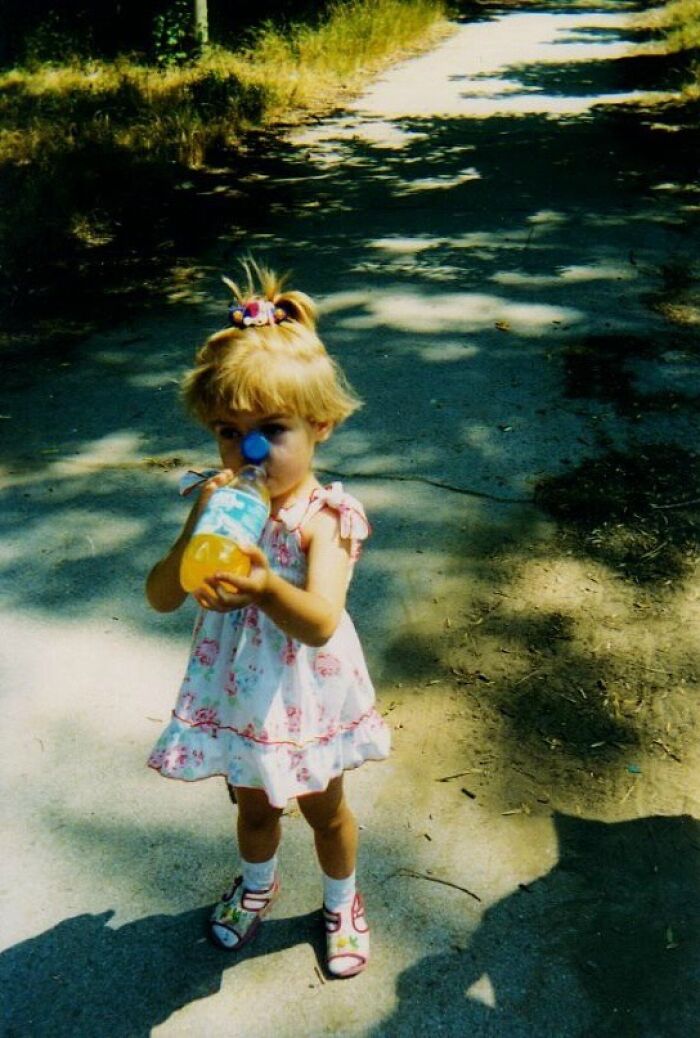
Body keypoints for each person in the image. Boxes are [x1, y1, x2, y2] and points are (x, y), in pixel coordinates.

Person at [146, 261, 390, 978]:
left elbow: (317, 622)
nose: (247, 451)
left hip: (307, 694)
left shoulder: (327, 519)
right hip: (239, 691)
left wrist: (261, 588)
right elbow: (162, 595)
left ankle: (341, 901)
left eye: (271, 430)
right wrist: (193, 550)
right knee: (253, 807)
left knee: (324, 810)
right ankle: (257, 886)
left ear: (321, 425)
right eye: (228, 431)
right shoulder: (217, 499)